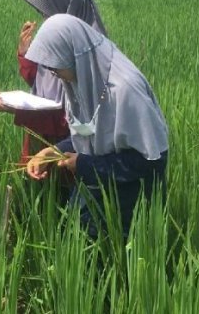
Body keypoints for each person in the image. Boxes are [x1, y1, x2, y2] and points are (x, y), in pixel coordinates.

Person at [24, 14, 168, 239]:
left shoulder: (124, 91)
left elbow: (151, 162)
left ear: (74, 56)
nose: (53, 73)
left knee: (114, 268)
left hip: (127, 208)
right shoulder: (84, 83)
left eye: (55, 66)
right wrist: (56, 150)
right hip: (94, 193)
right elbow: (91, 131)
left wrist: (84, 164)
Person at [0, 0, 108, 186]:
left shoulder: (89, 49)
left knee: (63, 207)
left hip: (70, 147)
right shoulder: (56, 36)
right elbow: (43, 86)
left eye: (49, 12)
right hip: (40, 138)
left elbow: (77, 112)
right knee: (37, 204)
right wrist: (26, 54)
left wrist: (15, 108)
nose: (45, 19)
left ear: (67, 7)